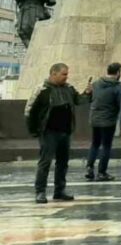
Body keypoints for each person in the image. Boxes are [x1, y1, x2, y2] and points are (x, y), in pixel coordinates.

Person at [24, 63, 92, 204]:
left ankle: (59, 190)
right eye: (64, 74)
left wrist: (87, 93)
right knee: (45, 162)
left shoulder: (68, 88)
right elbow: (30, 111)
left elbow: (79, 100)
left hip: (65, 132)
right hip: (48, 132)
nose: (66, 77)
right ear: (53, 74)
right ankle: (40, 192)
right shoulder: (42, 90)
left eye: (67, 74)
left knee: (63, 163)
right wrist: (34, 130)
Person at [85, 62, 121, 182]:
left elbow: (90, 97)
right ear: (118, 73)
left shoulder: (96, 83)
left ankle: (89, 167)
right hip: (108, 120)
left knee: (95, 143)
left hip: (95, 118)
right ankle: (102, 172)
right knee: (106, 146)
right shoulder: (118, 86)